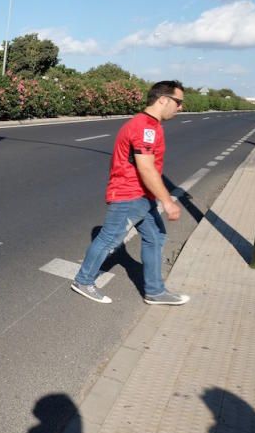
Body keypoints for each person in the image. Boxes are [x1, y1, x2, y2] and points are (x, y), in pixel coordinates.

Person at [71, 80, 190, 306]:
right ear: (163, 99)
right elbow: (145, 167)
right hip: (129, 194)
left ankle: (155, 291)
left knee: (155, 237)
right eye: (178, 102)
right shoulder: (144, 127)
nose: (180, 107)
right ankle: (83, 280)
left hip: (142, 197)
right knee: (110, 238)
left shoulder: (151, 125)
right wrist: (168, 201)